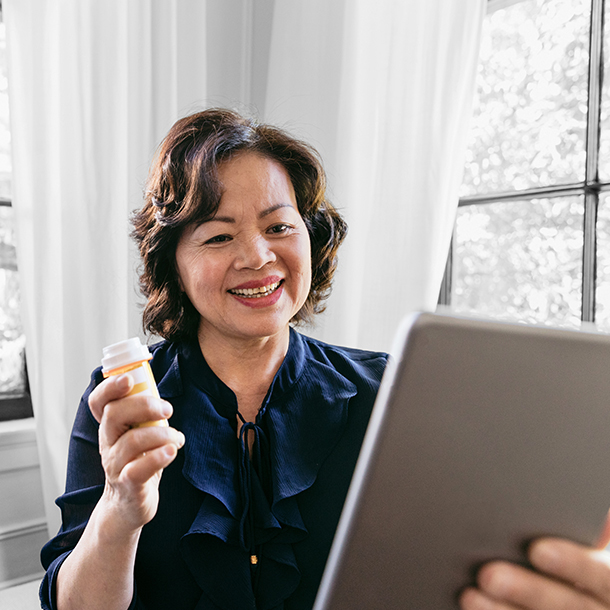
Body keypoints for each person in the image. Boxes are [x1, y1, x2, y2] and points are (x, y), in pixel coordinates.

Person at [39, 108, 610, 610]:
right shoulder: (124, 400)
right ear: (174, 267)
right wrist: (120, 508)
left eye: (279, 226)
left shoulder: (390, 391)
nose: (258, 257)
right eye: (217, 237)